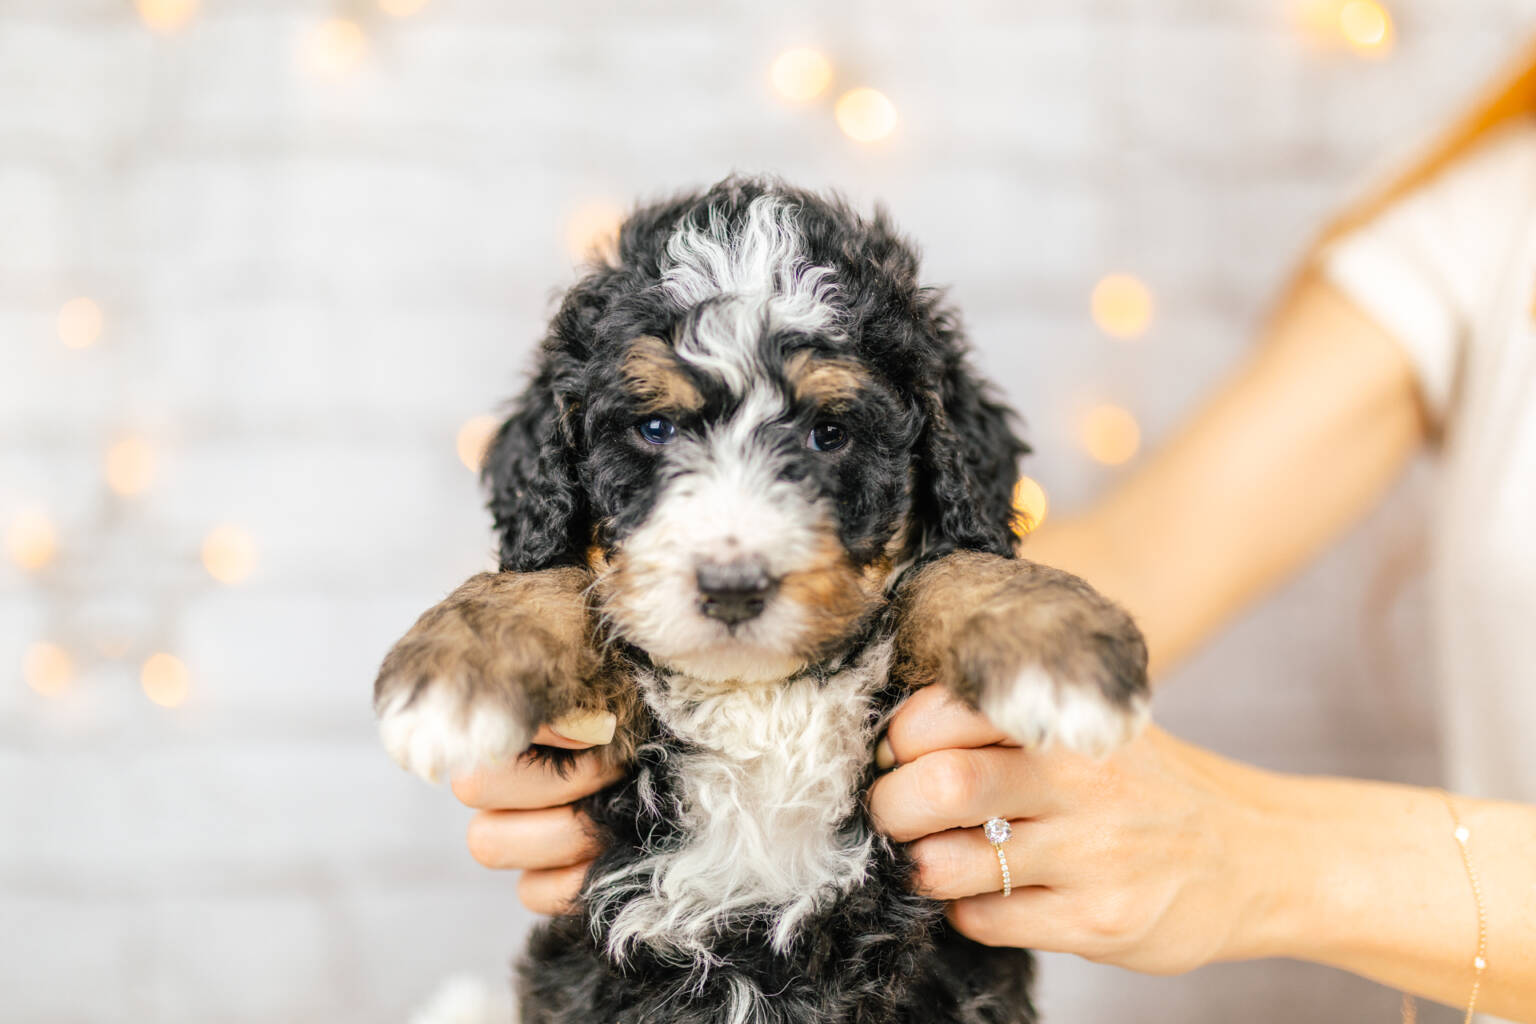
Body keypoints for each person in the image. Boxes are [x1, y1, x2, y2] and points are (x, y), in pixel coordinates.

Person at [445, 42, 1536, 1023]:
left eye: (828, 434)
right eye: (654, 425)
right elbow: (1142, 558)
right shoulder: (1488, 213)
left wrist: (1252, 851)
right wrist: (559, 635)